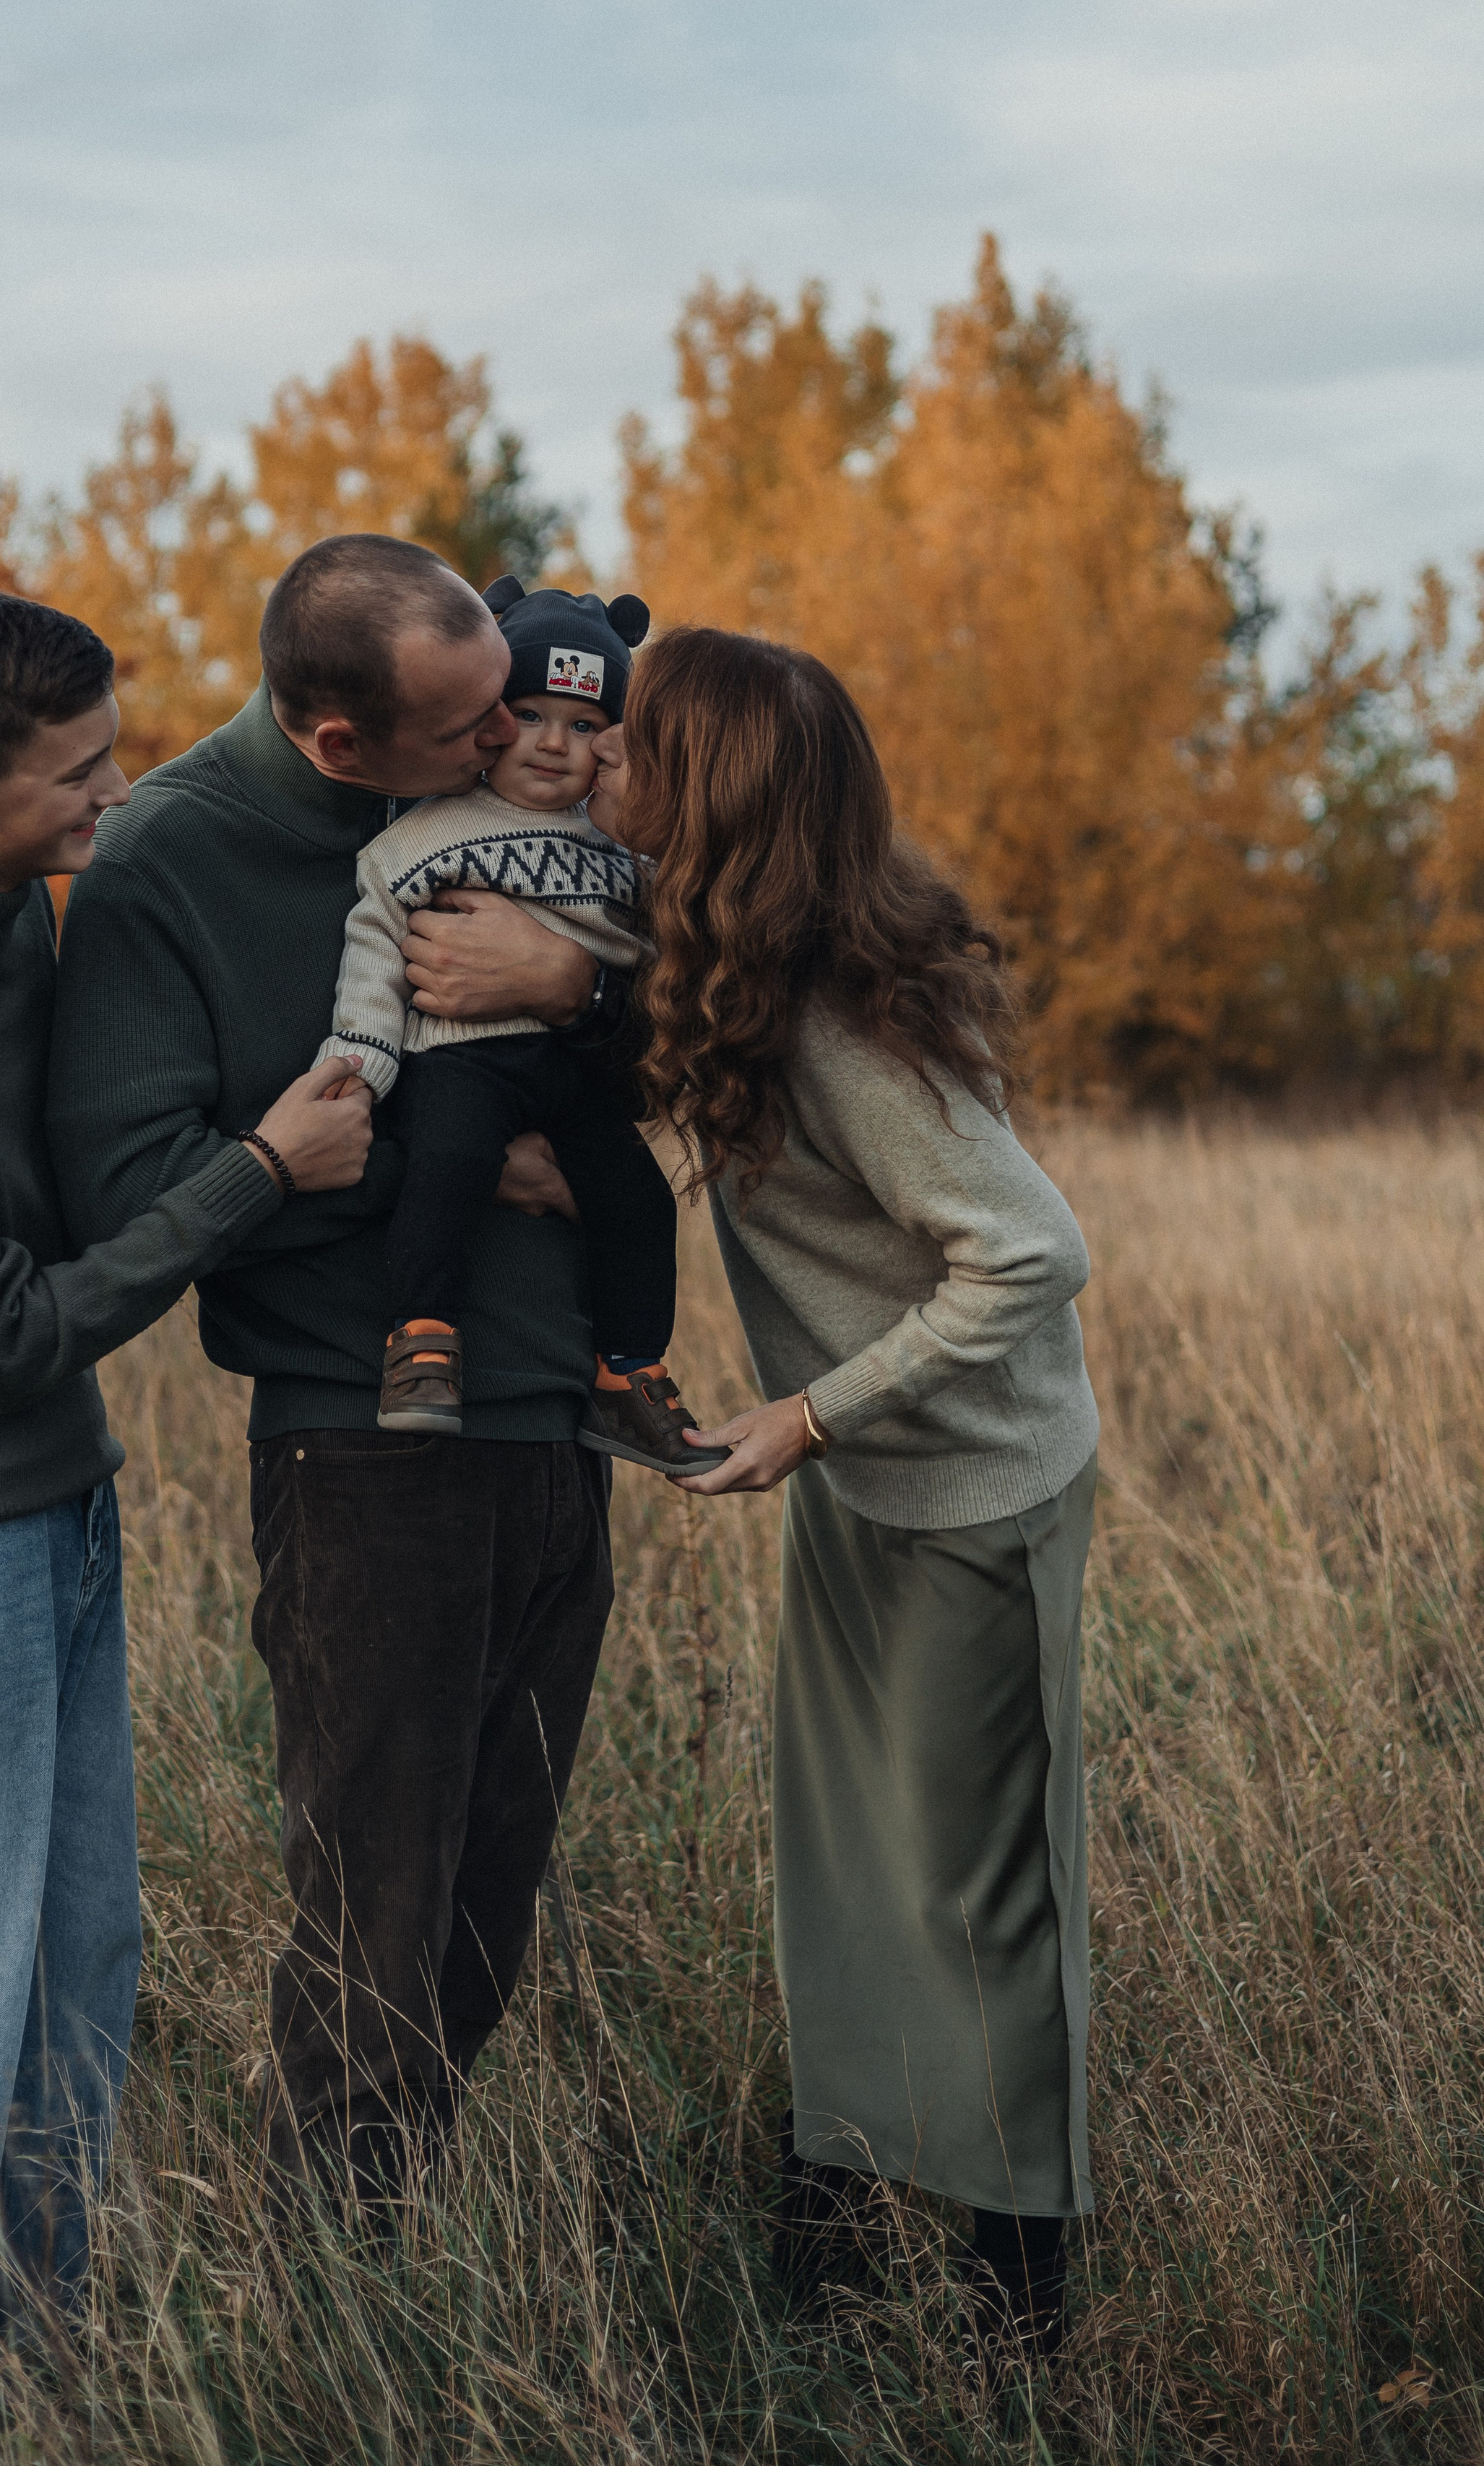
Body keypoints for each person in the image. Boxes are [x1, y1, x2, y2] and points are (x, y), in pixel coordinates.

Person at [0, 589, 373, 2405]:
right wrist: (260, 1168)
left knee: (68, 1972)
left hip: (52, 1510)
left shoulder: (19, 903)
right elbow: (6, 1335)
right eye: (84, 773)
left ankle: (22, 2379)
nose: (120, 791)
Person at [47, 535, 624, 2210]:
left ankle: (403, 2256)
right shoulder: (167, 859)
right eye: (465, 726)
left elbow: (668, 1018)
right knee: (377, 1915)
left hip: (552, 1423)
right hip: (363, 1450)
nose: (510, 737)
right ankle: (337, 2301)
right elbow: (144, 1177)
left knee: (486, 1905)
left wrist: (570, 989)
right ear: (336, 743)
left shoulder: (499, 799)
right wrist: (463, 1159)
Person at [598, 629, 1102, 2363]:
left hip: (969, 1488)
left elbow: (1031, 1251)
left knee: (976, 1880)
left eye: (630, 748)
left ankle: (1019, 2274)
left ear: (700, 794)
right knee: (844, 1854)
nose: (597, 761)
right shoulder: (742, 953)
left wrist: (811, 1412)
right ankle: (840, 2181)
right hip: (865, 1479)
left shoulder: (834, 1018)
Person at [315, 575, 724, 1473]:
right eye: (531, 713)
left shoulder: (629, 854)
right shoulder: (418, 835)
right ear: (489, 719)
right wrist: (361, 1057)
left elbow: (659, 971)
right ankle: (421, 1340)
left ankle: (627, 1373)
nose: (552, 743)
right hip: (459, 1058)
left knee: (638, 1199)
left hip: (576, 1066)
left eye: (583, 727)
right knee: (450, 1162)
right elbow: (376, 945)